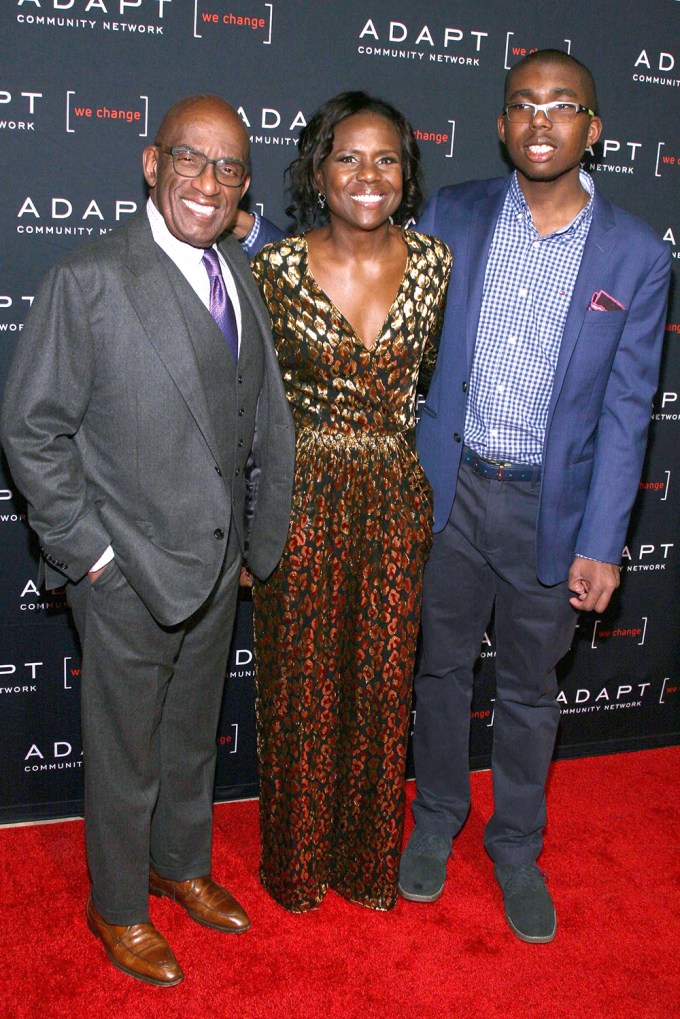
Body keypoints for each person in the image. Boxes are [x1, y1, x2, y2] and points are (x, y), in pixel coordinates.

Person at [1, 95, 294, 986]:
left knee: (190, 737)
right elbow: (30, 428)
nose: (210, 183)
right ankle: (119, 903)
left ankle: (180, 863)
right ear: (150, 163)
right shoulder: (87, 279)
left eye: (231, 169)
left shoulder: (235, 269)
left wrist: (255, 541)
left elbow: (256, 417)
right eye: (191, 160)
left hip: (214, 566)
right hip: (125, 568)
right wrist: (91, 554)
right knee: (126, 753)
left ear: (246, 185)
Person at [397, 50, 671, 943]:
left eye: (564, 106)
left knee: (529, 689)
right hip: (453, 493)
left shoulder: (635, 252)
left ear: (593, 129)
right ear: (503, 124)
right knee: (436, 671)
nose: (541, 120)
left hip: (552, 513)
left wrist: (606, 540)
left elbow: (631, 411)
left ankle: (516, 844)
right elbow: (368, 291)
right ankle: (437, 816)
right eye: (523, 104)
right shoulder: (454, 213)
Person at [247, 91, 451, 912]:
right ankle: (297, 865)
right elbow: (245, 408)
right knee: (300, 683)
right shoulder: (273, 269)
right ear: (317, 169)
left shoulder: (436, 263)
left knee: (380, 682)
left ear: (407, 170)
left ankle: (368, 862)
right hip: (303, 493)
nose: (368, 175)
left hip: (396, 495)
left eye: (386, 158)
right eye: (348, 157)